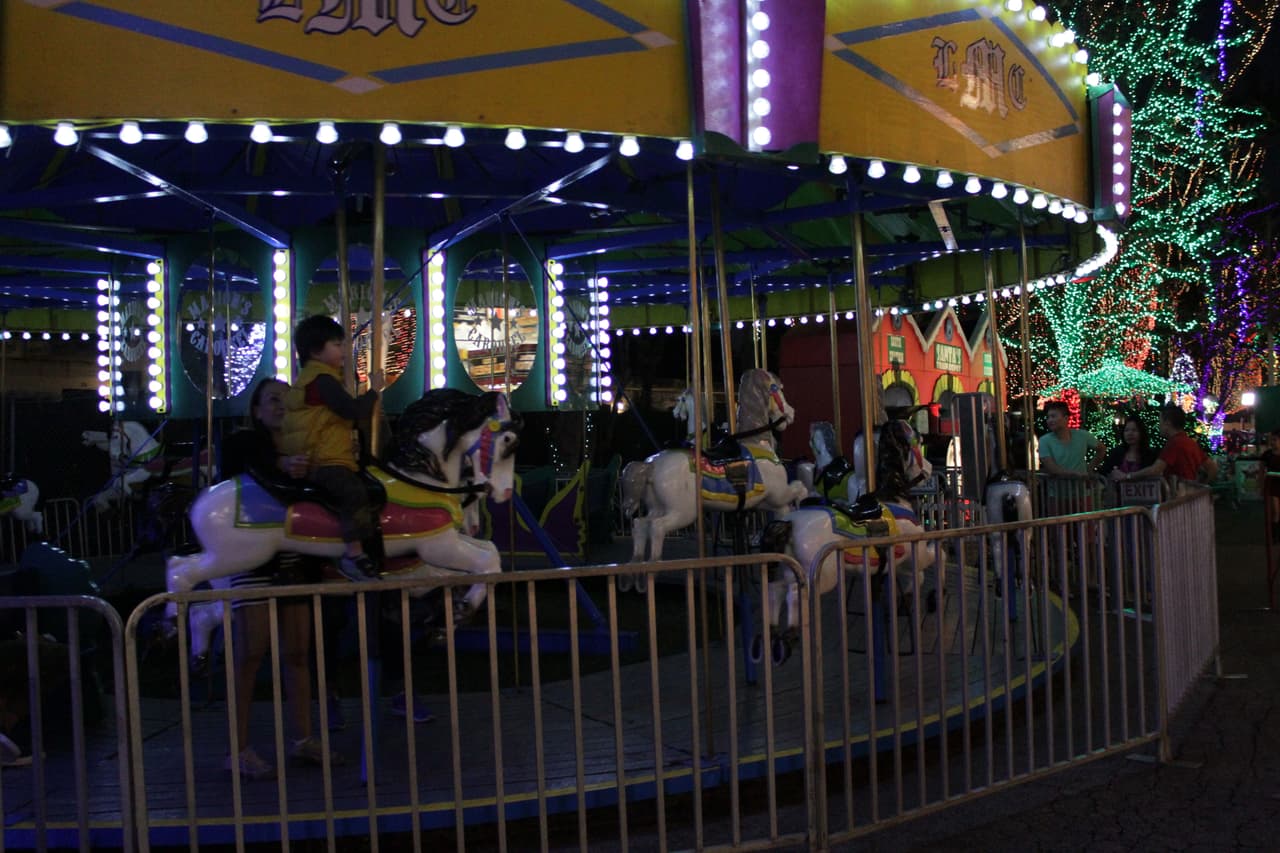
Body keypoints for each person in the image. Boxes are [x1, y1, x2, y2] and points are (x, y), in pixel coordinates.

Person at [220, 377, 342, 780]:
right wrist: (282, 466)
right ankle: (237, 747)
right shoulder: (244, 445)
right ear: (255, 410)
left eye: (286, 399)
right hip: (255, 556)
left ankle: (303, 738)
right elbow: (244, 471)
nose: (280, 406)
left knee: (297, 653)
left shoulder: (302, 448)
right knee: (251, 652)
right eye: (272, 400)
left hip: (294, 556)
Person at [282, 315, 380, 582]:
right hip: (325, 460)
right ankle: (353, 554)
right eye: (337, 345)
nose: (344, 352)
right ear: (316, 350)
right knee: (353, 491)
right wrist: (375, 391)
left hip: (323, 455)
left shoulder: (313, 379)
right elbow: (353, 410)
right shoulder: (323, 381)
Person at [1124, 404, 1218, 487]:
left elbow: (1155, 470)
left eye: (1160, 422)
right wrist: (1202, 486)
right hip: (1191, 497)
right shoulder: (1191, 443)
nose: (1159, 426)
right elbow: (1212, 468)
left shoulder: (1174, 444)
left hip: (1178, 497)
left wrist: (1127, 476)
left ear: (1167, 424)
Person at [1037, 400, 1104, 478]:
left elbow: (1101, 448)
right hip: (1058, 488)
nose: (1049, 420)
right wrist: (1076, 474)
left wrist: (1089, 468)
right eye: (1048, 417)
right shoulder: (1044, 441)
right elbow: (1052, 468)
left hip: (1081, 488)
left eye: (1053, 416)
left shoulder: (1082, 435)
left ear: (1066, 418)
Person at [1100, 415, 1160, 482]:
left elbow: (1154, 472)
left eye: (1134, 430)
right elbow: (1104, 472)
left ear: (1141, 433)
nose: (1130, 433)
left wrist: (1127, 476)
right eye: (1126, 430)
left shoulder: (1150, 454)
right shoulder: (1116, 452)